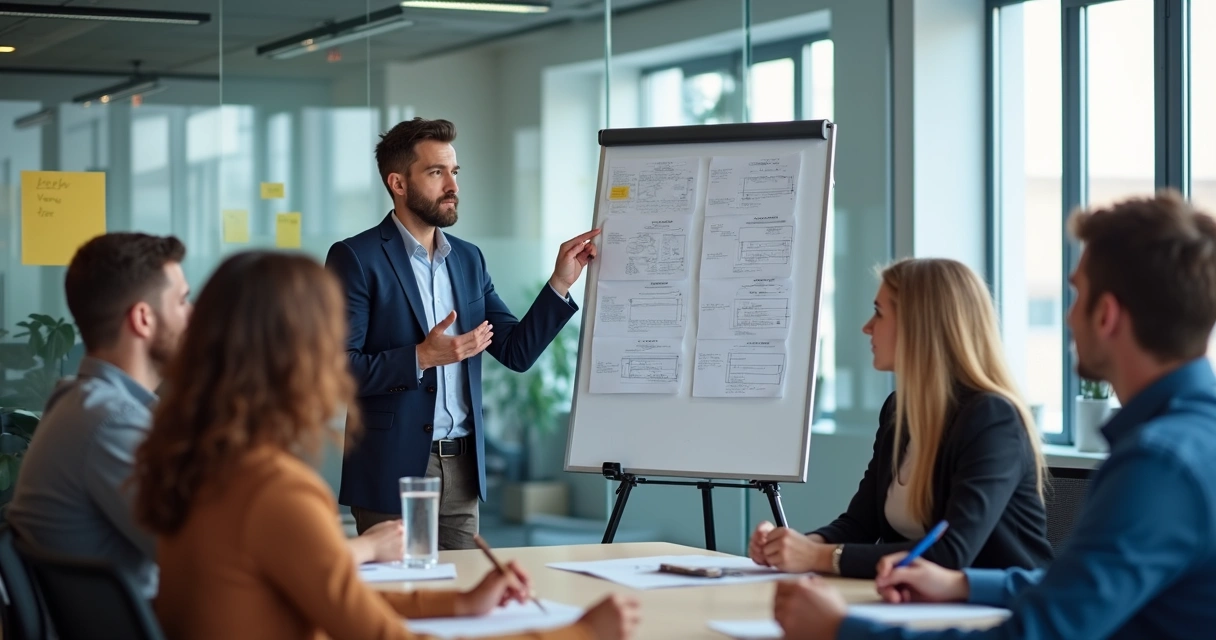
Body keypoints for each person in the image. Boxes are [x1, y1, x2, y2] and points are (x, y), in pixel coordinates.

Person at [772, 190, 1216, 640]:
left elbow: (1035, 634)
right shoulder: (1190, 444)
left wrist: (840, 630)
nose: (1067, 318)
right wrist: (963, 584)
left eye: (1077, 295)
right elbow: (1073, 586)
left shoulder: (1159, 466)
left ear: (1106, 316)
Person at [132, 251, 639, 640]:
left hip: (457, 466)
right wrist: (579, 632)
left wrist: (460, 606)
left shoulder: (203, 468)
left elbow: (344, 601)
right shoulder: (275, 493)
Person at [5, 233, 401, 600]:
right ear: (143, 319)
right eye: (182, 301)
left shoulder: (87, 405)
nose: (194, 317)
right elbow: (210, 557)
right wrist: (365, 547)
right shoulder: (110, 423)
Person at [326, 117, 598, 545]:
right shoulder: (356, 258)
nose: (452, 185)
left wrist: (560, 283)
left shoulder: (468, 260)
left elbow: (515, 351)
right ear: (398, 183)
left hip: (463, 471)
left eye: (454, 172)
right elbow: (339, 371)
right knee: (407, 600)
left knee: (465, 599)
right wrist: (421, 356)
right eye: (436, 173)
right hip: (394, 469)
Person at [749, 258, 1051, 579]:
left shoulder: (993, 419)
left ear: (919, 325)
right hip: (916, 603)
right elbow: (861, 524)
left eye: (879, 312)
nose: (867, 326)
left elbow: (951, 552)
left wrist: (816, 556)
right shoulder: (899, 409)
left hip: (1004, 612)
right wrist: (797, 547)